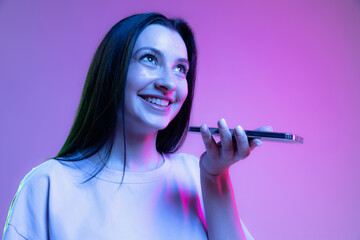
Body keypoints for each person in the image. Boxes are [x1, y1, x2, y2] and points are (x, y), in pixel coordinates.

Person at [3, 12, 270, 240]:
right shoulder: (48, 185)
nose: (169, 83)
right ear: (112, 70)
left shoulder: (196, 175)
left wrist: (214, 177)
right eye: (150, 59)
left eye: (180, 69)